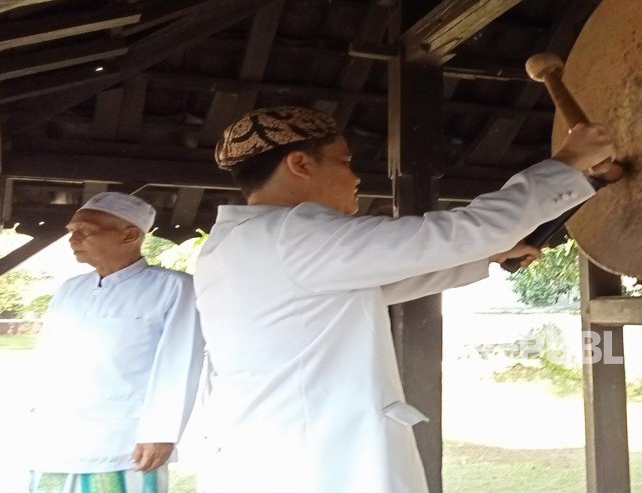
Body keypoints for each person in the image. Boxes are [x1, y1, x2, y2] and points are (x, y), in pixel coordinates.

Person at [194, 106, 614, 492]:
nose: (356, 177)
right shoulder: (297, 235)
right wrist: (568, 162)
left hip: (267, 456)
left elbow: (372, 288)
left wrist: (487, 255)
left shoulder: (232, 245)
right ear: (300, 164)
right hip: (320, 464)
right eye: (344, 162)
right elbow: (464, 229)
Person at [27, 192, 204, 493]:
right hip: (57, 436)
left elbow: (180, 364)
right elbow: (49, 360)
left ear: (130, 235)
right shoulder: (70, 290)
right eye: (71, 230)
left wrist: (161, 433)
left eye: (85, 230)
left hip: (124, 442)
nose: (73, 238)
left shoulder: (174, 288)